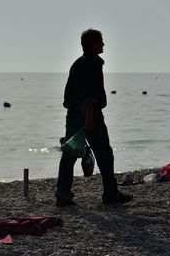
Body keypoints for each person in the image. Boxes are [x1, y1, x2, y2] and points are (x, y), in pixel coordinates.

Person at [55, 28, 133, 207]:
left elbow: (67, 98)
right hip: (91, 117)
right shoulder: (94, 63)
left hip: (73, 115)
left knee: (69, 154)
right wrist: (89, 116)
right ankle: (110, 194)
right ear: (93, 44)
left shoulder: (76, 64)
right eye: (101, 41)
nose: (104, 44)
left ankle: (62, 194)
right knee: (104, 154)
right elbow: (91, 95)